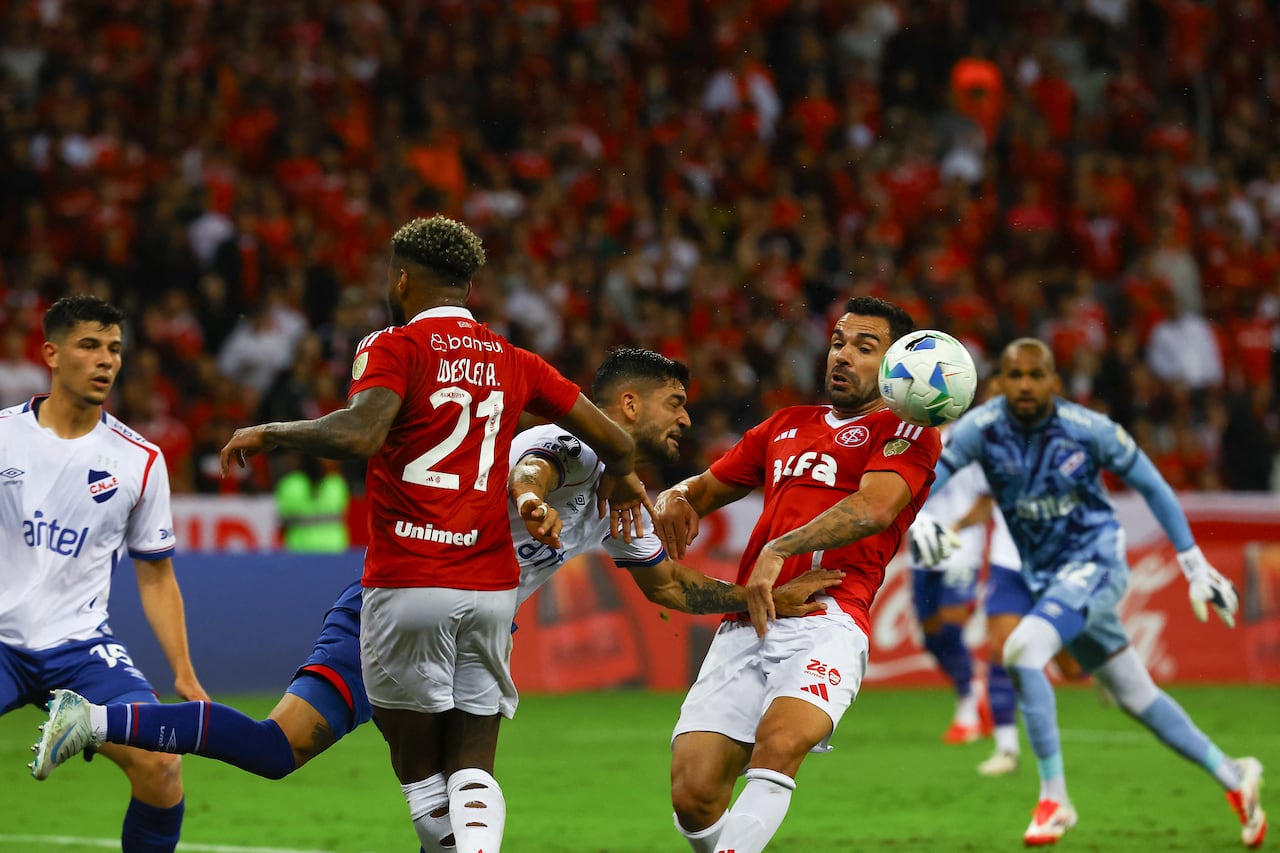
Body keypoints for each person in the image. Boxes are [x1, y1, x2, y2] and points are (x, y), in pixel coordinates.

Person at [31, 346, 839, 853]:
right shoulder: (558, 443)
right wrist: (529, 503)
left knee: (322, 762)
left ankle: (96, 720)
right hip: (409, 603)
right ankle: (101, 721)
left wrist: (757, 593)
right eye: (674, 405)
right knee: (429, 771)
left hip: (445, 616)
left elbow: (668, 583)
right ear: (625, 407)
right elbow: (535, 470)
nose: (685, 420)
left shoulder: (622, 496)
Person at [912, 337, 1265, 847]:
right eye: (1016, 376)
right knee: (1136, 696)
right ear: (1001, 382)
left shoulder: (1088, 429)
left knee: (1022, 649)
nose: (1026, 385)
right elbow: (930, 475)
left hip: (1096, 562)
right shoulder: (982, 430)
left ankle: (1055, 799)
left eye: (1037, 375)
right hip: (1044, 576)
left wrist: (1194, 564)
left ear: (1055, 381)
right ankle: (1235, 776)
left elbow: (1154, 487)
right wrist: (920, 515)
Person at [652, 296, 943, 853]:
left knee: (781, 743)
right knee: (693, 795)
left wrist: (779, 548)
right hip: (749, 620)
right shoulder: (786, 426)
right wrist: (675, 495)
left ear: (896, 364)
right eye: (838, 342)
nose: (843, 355)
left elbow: (874, 509)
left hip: (826, 618)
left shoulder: (907, 430)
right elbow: (705, 488)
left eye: (864, 347)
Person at [10, 294, 208, 852]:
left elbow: (156, 575)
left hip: (79, 649)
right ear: (51, 353)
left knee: (162, 765)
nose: (106, 360)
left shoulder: (139, 460)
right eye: (90, 346)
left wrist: (184, 671)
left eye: (115, 349)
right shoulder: (3, 437)